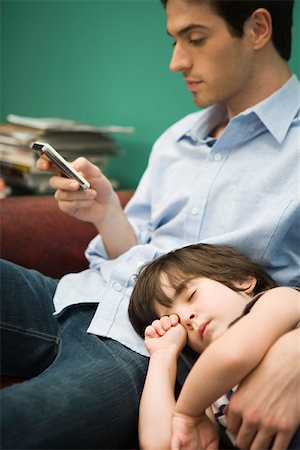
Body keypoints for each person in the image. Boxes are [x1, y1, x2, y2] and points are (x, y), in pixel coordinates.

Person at [0, 0, 299, 448]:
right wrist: (107, 214)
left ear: (257, 28)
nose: (176, 61)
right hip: (76, 293)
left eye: (195, 38)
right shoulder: (177, 140)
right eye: (174, 40)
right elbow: (137, 255)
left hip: (149, 344)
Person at [128, 243, 300, 450]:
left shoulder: (279, 299)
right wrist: (162, 356)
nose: (186, 317)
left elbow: (233, 354)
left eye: (191, 295)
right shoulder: (210, 395)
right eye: (175, 320)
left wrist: (187, 413)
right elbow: (163, 444)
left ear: (241, 279)